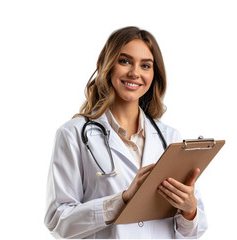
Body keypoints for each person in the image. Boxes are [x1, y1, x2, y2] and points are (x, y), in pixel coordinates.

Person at [44, 26, 207, 239]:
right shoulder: (72, 134)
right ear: (107, 65)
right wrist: (123, 200)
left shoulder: (170, 138)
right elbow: (58, 223)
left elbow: (194, 231)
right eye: (125, 61)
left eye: (145, 65)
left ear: (153, 74)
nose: (135, 73)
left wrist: (189, 210)